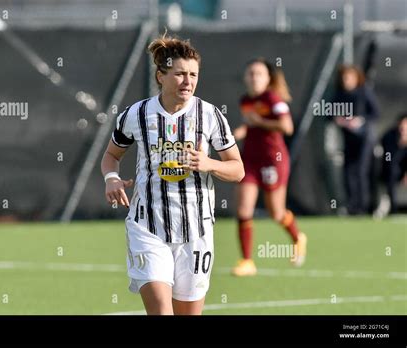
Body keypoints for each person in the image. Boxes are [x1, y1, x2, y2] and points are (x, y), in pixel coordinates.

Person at [101, 34, 244, 315]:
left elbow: (237, 169)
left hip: (196, 230)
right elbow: (111, 156)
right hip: (148, 227)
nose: (187, 81)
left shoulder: (210, 115)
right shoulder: (136, 114)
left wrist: (209, 164)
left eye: (193, 74)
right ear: (161, 76)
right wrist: (112, 179)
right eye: (179, 74)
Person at [231, 58, 307, 277]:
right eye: (251, 73)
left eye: (259, 74)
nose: (254, 77)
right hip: (250, 161)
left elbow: (287, 126)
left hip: (273, 160)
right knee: (243, 210)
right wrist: (240, 132)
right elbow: (251, 125)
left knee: (276, 212)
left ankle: (297, 238)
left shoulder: (273, 99)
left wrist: (259, 122)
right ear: (245, 77)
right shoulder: (245, 100)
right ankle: (247, 261)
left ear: (268, 78)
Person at [332, 64, 380, 215]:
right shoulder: (338, 95)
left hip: (365, 139)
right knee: (348, 171)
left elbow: (376, 113)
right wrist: (337, 119)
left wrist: (360, 120)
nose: (346, 81)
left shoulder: (364, 92)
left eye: (349, 77)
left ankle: (363, 206)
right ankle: (351, 206)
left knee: (361, 171)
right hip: (348, 139)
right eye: (344, 78)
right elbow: (329, 114)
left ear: (356, 78)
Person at [379, 113, 407, 214]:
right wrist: (399, 145)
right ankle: (393, 209)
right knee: (392, 172)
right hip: (390, 170)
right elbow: (389, 159)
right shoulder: (389, 136)